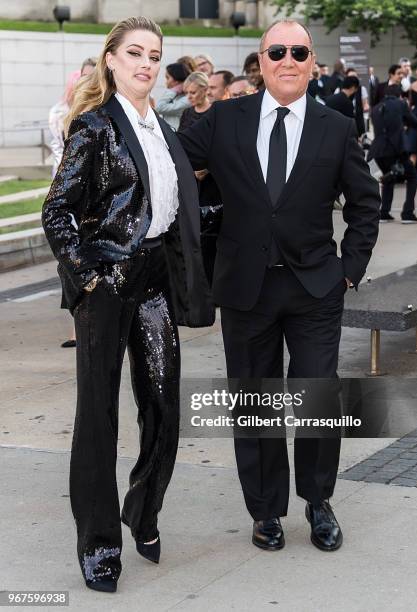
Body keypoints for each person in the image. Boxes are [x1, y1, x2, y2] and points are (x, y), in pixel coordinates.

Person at [178, 19, 380, 553]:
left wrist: (348, 268)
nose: (288, 60)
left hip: (315, 288)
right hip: (245, 289)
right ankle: (266, 510)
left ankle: (318, 501)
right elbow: (171, 161)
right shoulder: (223, 119)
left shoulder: (335, 127)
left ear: (312, 61)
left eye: (299, 51)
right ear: (261, 61)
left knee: (317, 396)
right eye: (277, 51)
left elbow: (365, 203)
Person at [42, 16, 214, 593]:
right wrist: (89, 274)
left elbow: (170, 206)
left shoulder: (162, 130)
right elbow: (56, 210)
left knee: (164, 407)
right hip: (107, 282)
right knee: (98, 417)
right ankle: (98, 541)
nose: (145, 63)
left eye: (154, 54)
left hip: (155, 279)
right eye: (134, 52)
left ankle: (142, 512)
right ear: (111, 60)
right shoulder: (93, 127)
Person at [48, 59, 97, 349]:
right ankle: (79, 327)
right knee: (69, 264)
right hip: (70, 199)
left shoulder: (103, 121)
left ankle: (89, 327)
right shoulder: (69, 119)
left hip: (94, 206)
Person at [179, 72, 222, 285]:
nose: (190, 96)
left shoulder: (217, 111)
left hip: (213, 183)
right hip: (191, 181)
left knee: (212, 235)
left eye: (193, 92)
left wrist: (207, 167)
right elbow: (181, 145)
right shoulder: (187, 114)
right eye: (187, 92)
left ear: (205, 90)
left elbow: (223, 145)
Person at [368, 85, 417, 223]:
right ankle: (408, 213)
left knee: (388, 180)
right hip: (395, 149)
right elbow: (414, 122)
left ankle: (384, 212)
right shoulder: (400, 104)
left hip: (377, 152)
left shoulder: (375, 108)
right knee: (413, 176)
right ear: (399, 95)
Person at [155, 62, 191, 129]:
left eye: (168, 78)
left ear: (176, 80)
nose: (166, 82)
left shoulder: (188, 99)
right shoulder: (175, 95)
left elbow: (159, 107)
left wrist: (173, 90)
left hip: (177, 136)